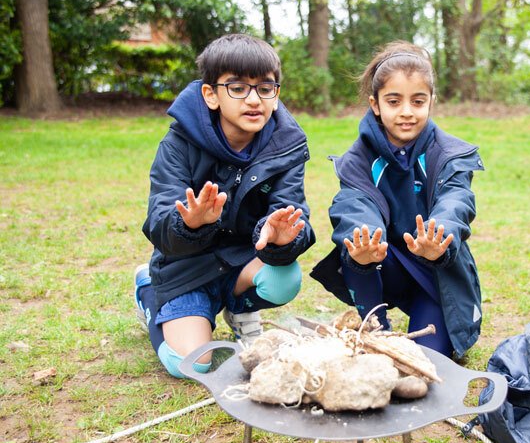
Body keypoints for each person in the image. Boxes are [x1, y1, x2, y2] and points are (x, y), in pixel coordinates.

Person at [134, 34, 315, 379]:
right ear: (210, 95)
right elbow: (158, 221)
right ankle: (149, 292)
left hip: (241, 262)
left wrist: (279, 236)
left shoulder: (287, 145)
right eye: (237, 87)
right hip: (186, 268)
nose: (253, 100)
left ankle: (239, 309)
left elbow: (295, 214)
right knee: (190, 364)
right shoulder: (177, 144)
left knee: (284, 280)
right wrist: (190, 223)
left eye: (265, 88)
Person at [310, 41, 484, 358]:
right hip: (384, 266)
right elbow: (354, 204)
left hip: (436, 271)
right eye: (394, 101)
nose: (406, 111)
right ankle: (375, 330)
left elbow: (457, 201)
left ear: (431, 101)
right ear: (375, 104)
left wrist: (439, 235)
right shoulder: (358, 159)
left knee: (427, 360)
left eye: (418, 101)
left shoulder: (450, 154)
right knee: (355, 248)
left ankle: (427, 321)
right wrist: (363, 242)